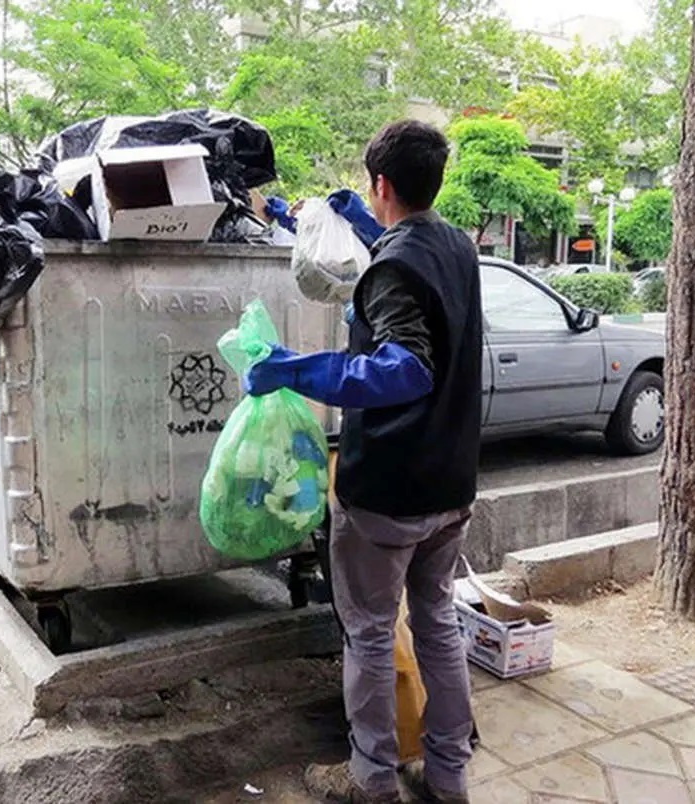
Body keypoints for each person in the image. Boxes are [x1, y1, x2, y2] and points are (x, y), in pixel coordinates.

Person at [244, 120, 481, 804]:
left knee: (372, 634)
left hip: (390, 492)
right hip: (452, 483)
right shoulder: (456, 246)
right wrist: (366, 228)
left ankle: (371, 779)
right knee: (436, 622)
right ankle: (447, 776)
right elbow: (420, 290)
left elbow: (405, 367)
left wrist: (298, 370)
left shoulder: (395, 266)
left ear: (382, 183)